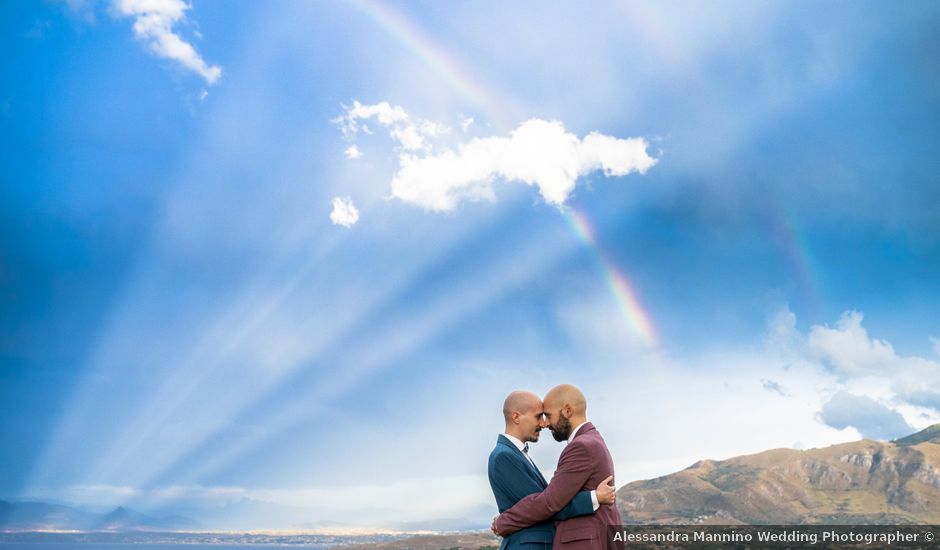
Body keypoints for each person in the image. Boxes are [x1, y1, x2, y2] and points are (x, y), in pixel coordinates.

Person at [492, 385, 622, 549]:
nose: (545, 424)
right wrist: (594, 497)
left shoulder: (582, 446)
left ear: (567, 411)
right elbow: (550, 502)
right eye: (540, 416)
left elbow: (549, 503)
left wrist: (503, 521)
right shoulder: (592, 441)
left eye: (547, 415)